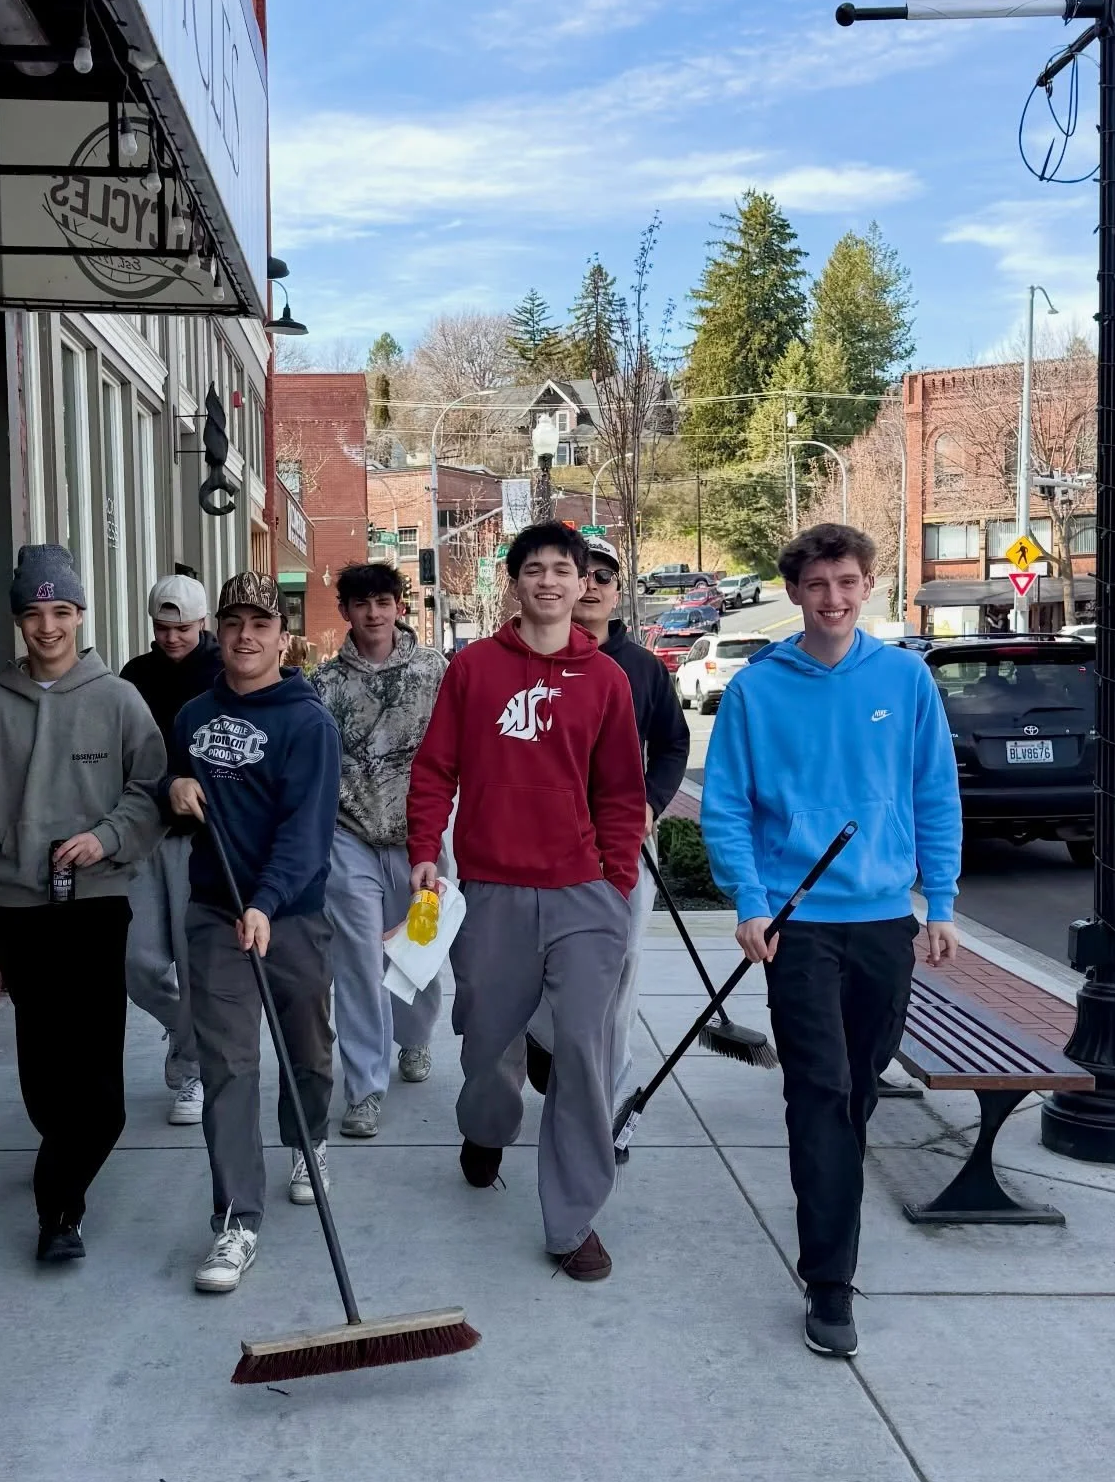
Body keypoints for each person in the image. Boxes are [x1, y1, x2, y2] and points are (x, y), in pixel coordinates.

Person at [701, 523, 962, 1358]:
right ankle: (830, 1280)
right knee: (818, 1090)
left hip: (883, 920)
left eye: (847, 582)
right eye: (817, 585)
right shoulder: (756, 689)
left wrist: (940, 901)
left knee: (855, 1094)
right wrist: (750, 901)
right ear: (794, 592)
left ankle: (832, 1220)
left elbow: (934, 791)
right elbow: (727, 805)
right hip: (798, 925)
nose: (833, 598)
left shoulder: (905, 678)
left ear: (868, 585)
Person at [406, 521, 647, 1282]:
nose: (549, 581)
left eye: (562, 570)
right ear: (514, 582)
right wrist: (425, 852)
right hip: (494, 892)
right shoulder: (473, 669)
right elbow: (434, 770)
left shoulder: (606, 680)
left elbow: (621, 792)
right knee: (487, 1045)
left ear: (584, 585)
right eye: (534, 568)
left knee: (582, 1051)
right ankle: (486, 1128)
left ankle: (572, 1219)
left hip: (583, 897)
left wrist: (615, 883)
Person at [0, 544, 165, 1264]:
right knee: (45, 1068)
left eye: (61, 611)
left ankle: (58, 1208)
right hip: (21, 913)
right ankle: (60, 1153)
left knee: (100, 1088)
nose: (48, 626)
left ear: (81, 615)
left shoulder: (119, 700)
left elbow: (151, 791)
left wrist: (105, 837)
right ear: (17, 621)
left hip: (97, 906)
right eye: (34, 613)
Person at [163, 572, 342, 1295]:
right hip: (215, 912)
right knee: (229, 1066)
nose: (245, 636)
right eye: (233, 622)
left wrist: (266, 902)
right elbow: (169, 790)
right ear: (219, 631)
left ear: (283, 638)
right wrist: (172, 787)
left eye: (260, 624)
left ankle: (308, 1137)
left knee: (309, 1052)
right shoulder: (192, 716)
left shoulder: (309, 724)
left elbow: (306, 834)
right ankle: (237, 1218)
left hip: (291, 914)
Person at [526, 534, 689, 1121]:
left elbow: (673, 744)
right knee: (536, 969)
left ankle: (606, 1100)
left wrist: (650, 803)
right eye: (584, 574)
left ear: (618, 591)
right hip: (543, 847)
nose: (591, 586)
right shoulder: (531, 659)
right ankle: (545, 1045)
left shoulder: (641, 668)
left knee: (620, 971)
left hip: (621, 846)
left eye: (604, 577)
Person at [312, 562, 448, 1138]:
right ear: (345, 610)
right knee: (360, 963)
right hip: (350, 839)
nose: (373, 613)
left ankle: (415, 1038)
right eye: (361, 603)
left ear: (399, 606)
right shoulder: (322, 684)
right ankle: (365, 1087)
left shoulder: (434, 671)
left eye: (384, 601)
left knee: (419, 951)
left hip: (421, 839)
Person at [119, 574, 223, 1125]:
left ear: (202, 623)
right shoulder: (134, 675)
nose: (172, 637)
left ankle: (191, 1073)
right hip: (142, 834)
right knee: (137, 962)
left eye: (182, 627)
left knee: (194, 962)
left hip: (203, 840)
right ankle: (187, 1036)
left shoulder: (224, 673)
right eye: (162, 628)